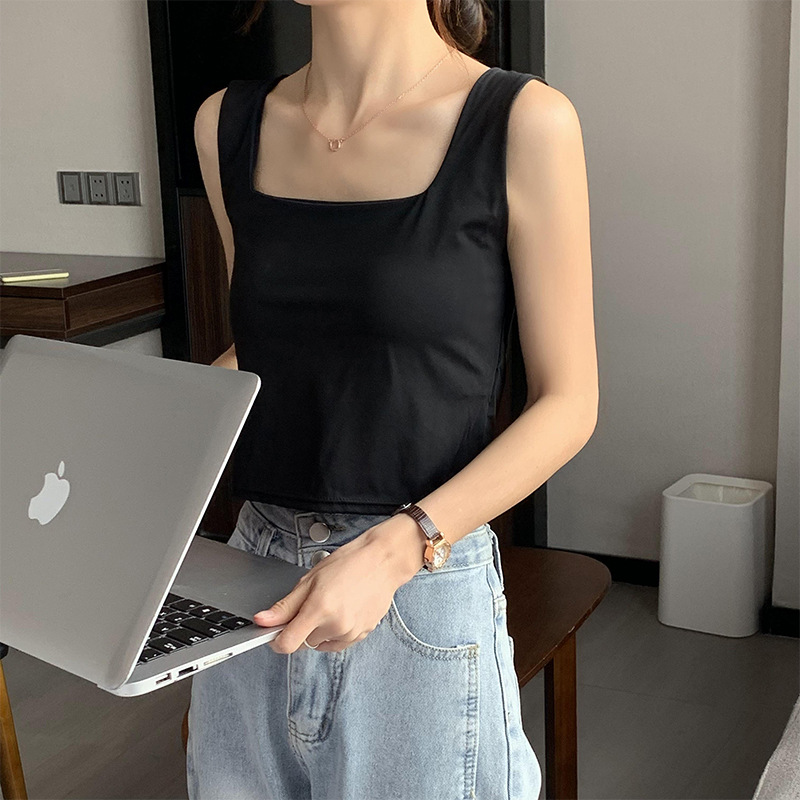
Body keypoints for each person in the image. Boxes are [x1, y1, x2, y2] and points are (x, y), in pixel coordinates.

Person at [188, 0, 597, 796]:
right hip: (250, 580)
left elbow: (569, 402)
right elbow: (270, 347)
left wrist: (398, 547)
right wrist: (145, 429)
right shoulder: (225, 124)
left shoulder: (523, 122)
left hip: (419, 585)